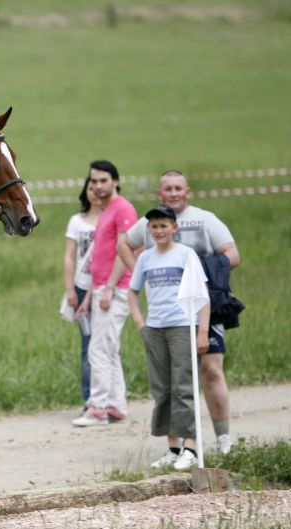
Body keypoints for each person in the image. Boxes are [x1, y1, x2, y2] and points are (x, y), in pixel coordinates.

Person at [117, 170, 241, 453]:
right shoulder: (150, 223)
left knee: (210, 370)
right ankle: (178, 446)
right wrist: (141, 273)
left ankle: (222, 437)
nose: (173, 193)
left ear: (188, 192)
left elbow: (233, 254)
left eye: (178, 188)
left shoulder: (205, 220)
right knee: (172, 381)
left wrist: (197, 272)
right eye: (167, 189)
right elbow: (124, 243)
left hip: (205, 305)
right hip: (167, 313)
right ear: (160, 194)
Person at [128, 205, 210, 471]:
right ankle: (173, 448)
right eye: (154, 226)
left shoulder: (187, 255)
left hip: (182, 326)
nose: (159, 231)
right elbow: (133, 291)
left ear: (174, 228)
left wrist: (202, 331)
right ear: (148, 230)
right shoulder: (145, 258)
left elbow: (202, 296)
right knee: (162, 389)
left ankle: (192, 448)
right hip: (155, 328)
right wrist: (140, 322)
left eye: (164, 226)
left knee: (183, 387)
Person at [72, 160, 137, 427]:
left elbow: (125, 250)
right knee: (109, 349)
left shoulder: (123, 209)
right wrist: (89, 296)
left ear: (116, 181)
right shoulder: (106, 210)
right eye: (94, 181)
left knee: (97, 350)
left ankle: (97, 407)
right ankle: (116, 405)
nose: (98, 186)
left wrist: (109, 287)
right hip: (100, 287)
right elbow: (99, 256)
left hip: (115, 288)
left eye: (103, 181)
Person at [62, 177, 101, 405]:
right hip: (81, 285)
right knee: (87, 344)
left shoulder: (110, 219)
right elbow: (69, 256)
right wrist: (70, 290)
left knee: (106, 344)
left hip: (105, 288)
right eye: (90, 187)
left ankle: (108, 396)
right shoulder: (77, 221)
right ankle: (90, 398)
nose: (95, 192)